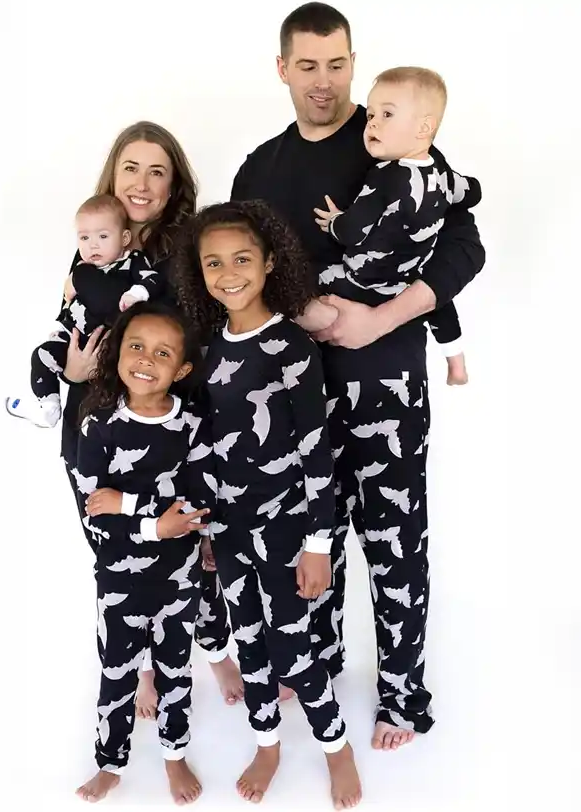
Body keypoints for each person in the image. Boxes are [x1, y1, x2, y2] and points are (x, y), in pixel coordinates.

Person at [230, 2, 486, 751]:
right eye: (307, 66)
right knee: (311, 541)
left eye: (337, 64)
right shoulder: (259, 168)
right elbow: (242, 273)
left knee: (395, 541)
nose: (323, 82)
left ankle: (403, 698)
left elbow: (464, 246)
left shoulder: (394, 137)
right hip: (293, 396)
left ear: (354, 61)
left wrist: (383, 317)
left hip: (386, 384)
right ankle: (317, 668)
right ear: (281, 68)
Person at [171, 199, 362, 810]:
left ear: (270, 261)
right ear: (199, 272)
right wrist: (203, 531)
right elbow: (204, 450)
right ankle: (268, 743)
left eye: (243, 259)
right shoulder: (207, 350)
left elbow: (316, 453)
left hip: (286, 531)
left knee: (294, 649)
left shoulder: (289, 346)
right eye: (214, 263)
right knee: (250, 642)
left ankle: (337, 748)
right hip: (227, 530)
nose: (229, 273)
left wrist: (318, 544)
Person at [56, 122, 244, 716]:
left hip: (168, 429)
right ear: (113, 175)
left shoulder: (186, 247)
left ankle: (213, 650)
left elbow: (205, 343)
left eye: (157, 171)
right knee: (113, 552)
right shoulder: (90, 246)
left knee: (188, 543)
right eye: (130, 168)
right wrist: (72, 373)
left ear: (174, 185)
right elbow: (67, 337)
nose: (141, 184)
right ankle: (138, 666)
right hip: (95, 428)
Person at [73, 301, 214, 804]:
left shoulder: (192, 426)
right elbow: (96, 509)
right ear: (116, 355)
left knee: (176, 672)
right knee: (117, 676)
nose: (145, 360)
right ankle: (110, 763)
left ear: (181, 369)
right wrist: (158, 523)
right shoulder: (99, 425)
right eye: (136, 346)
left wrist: (132, 505)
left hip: (179, 580)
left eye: (161, 353)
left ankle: (174, 756)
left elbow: (198, 504)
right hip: (119, 578)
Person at [310, 66, 481, 386]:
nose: (372, 122)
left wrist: (334, 223)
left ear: (423, 128)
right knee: (441, 305)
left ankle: (318, 330)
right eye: (371, 115)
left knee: (319, 285)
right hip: (413, 273)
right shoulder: (442, 173)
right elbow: (470, 192)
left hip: (369, 276)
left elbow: (353, 230)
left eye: (387, 115)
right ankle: (456, 365)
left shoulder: (387, 176)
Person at [5, 193, 156, 428]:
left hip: (110, 348)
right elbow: (69, 307)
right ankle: (48, 407)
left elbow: (152, 280)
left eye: (103, 236)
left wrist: (135, 294)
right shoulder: (81, 267)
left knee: (106, 398)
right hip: (74, 346)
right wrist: (59, 328)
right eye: (84, 237)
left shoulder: (131, 261)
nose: (92, 245)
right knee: (42, 355)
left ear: (125, 237)